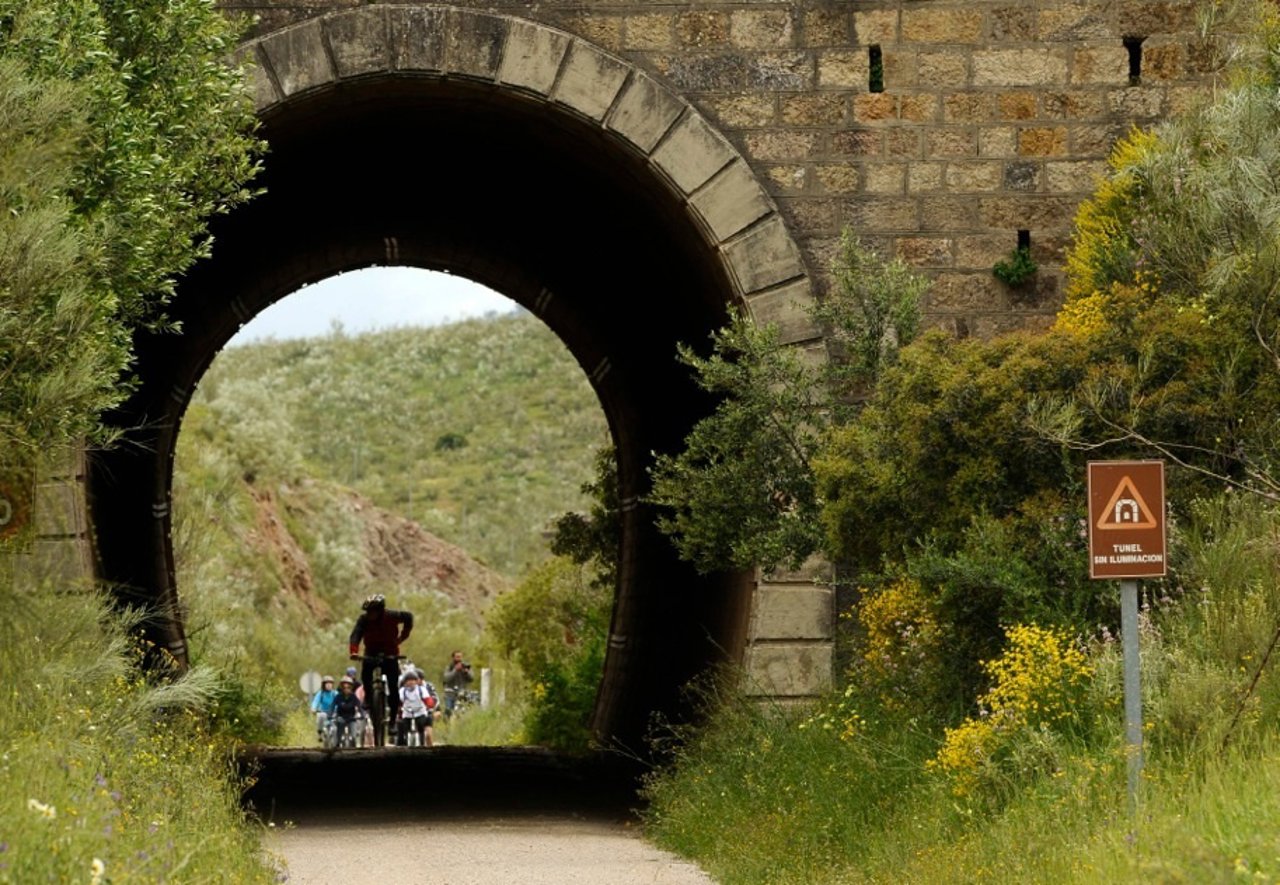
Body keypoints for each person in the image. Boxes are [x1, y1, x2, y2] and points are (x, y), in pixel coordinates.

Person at [348, 593, 414, 728]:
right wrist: (354, 651)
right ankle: (369, 699)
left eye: (372, 611)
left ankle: (393, 721)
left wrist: (403, 636)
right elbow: (356, 634)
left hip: (390, 654)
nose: (370, 614)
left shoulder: (392, 615)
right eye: (368, 612)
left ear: (380, 610)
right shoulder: (364, 619)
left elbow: (409, 617)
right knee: (366, 674)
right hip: (371, 652)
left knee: (393, 687)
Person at [397, 670, 436, 747]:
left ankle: (421, 741)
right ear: (405, 682)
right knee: (402, 726)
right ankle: (403, 742)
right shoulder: (402, 691)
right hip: (407, 713)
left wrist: (430, 704)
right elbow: (399, 702)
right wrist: (398, 709)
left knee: (421, 724)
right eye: (408, 680)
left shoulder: (421, 690)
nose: (411, 682)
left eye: (412, 680)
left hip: (420, 712)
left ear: (416, 681)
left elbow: (427, 699)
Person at [330, 676, 365, 748]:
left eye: (348, 687)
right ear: (342, 688)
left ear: (351, 687)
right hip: (341, 717)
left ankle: (355, 750)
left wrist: (362, 714)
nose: (346, 689)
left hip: (351, 718)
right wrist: (330, 714)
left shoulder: (353, 697)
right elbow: (332, 706)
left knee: (354, 736)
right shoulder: (338, 697)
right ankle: (337, 746)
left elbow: (359, 706)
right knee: (338, 736)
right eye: (344, 687)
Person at [442, 650, 473, 718]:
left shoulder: (465, 666)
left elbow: (471, 679)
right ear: (453, 658)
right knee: (448, 711)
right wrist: (455, 670)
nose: (459, 659)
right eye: (457, 657)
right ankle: (447, 726)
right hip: (450, 693)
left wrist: (466, 672)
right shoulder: (449, 667)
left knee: (461, 712)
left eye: (460, 657)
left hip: (461, 693)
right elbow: (446, 678)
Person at [309, 675, 338, 743]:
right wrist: (313, 708)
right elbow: (315, 701)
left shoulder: (335, 693)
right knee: (320, 717)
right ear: (324, 685)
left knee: (337, 725)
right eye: (326, 683)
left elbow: (339, 702)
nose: (328, 685)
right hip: (323, 712)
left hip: (333, 712)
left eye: (330, 683)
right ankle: (320, 733)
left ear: (332, 684)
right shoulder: (321, 693)